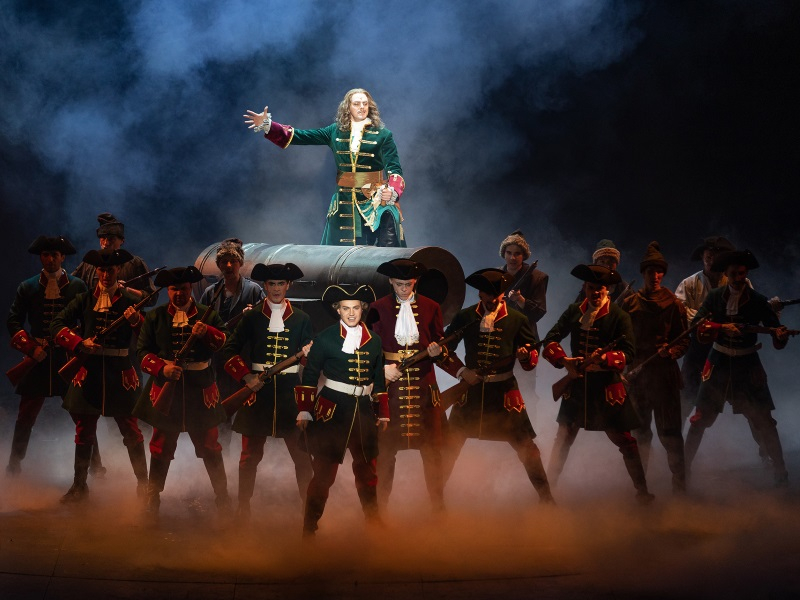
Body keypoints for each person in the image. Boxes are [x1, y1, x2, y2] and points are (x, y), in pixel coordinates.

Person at [438, 269, 554, 505]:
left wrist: (525, 356)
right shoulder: (465, 317)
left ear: (503, 294)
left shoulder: (517, 319)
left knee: (528, 449)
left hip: (505, 395)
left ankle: (547, 500)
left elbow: (532, 358)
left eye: (497, 295)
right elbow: (443, 351)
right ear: (480, 294)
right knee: (449, 448)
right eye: (488, 294)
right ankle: (435, 500)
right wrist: (462, 371)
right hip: (470, 394)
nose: (492, 299)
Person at [542, 264, 654, 504]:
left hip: (606, 387)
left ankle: (642, 491)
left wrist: (604, 359)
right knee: (563, 438)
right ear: (585, 287)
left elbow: (629, 353)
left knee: (624, 440)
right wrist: (565, 361)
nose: (595, 293)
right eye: (591, 288)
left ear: (607, 290)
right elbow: (550, 339)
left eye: (599, 289)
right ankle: (547, 491)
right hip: (577, 385)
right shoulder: (573, 311)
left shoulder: (619, 316)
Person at [244, 88, 406, 247]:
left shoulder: (383, 135)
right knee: (338, 253)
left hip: (372, 201)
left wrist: (392, 191)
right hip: (343, 200)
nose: (362, 107)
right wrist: (269, 125)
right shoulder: (335, 131)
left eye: (365, 103)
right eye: (356, 103)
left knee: (380, 248)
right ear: (348, 107)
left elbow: (394, 169)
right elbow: (302, 136)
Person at [683, 250, 790, 487]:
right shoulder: (715, 297)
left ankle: (780, 471)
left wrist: (780, 335)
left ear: (746, 273)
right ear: (726, 274)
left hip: (748, 365)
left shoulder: (758, 300)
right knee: (699, 419)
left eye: (742, 274)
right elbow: (697, 324)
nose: (738, 278)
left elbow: (776, 333)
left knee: (765, 421)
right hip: (718, 362)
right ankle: (683, 470)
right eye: (733, 274)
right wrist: (722, 328)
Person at [50, 249, 148, 502]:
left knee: (131, 432)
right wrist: (79, 343)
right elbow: (57, 324)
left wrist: (136, 321)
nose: (106, 275)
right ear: (96, 271)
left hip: (121, 373)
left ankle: (145, 486)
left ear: (118, 271)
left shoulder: (130, 300)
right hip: (88, 372)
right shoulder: (84, 299)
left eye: (111, 270)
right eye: (102, 270)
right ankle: (79, 486)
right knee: (84, 431)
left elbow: (149, 338)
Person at [133, 267, 230, 516]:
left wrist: (207, 332)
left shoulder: (208, 315)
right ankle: (153, 497)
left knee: (210, 445)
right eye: (174, 289)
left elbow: (225, 342)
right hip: (167, 389)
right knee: (160, 446)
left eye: (184, 289)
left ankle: (223, 499)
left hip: (201, 391)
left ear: (191, 289)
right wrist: (162, 369)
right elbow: (142, 352)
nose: (179, 294)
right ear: (168, 290)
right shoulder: (155, 317)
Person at [294, 285, 388, 537]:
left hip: (364, 411)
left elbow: (378, 378)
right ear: (337, 310)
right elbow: (310, 375)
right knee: (323, 475)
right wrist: (305, 410)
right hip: (331, 410)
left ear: (363, 309)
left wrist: (383, 411)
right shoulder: (325, 338)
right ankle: (309, 528)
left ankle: (373, 521)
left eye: (356, 308)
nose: (351, 313)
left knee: (368, 471)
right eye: (346, 308)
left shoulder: (374, 340)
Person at [221, 262, 313, 520]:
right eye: (271, 284)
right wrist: (246, 376)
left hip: (289, 393)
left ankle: (309, 508)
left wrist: (310, 355)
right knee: (249, 456)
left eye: (281, 283)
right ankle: (243, 507)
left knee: (302, 456)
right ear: (265, 285)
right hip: (257, 394)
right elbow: (228, 349)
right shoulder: (251, 317)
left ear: (288, 285)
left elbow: (310, 362)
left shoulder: (302, 318)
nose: (276, 289)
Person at [365, 259, 447, 512]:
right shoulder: (377, 308)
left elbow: (442, 343)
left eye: (408, 284)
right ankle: (379, 510)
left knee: (432, 451)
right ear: (390, 281)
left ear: (416, 282)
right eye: (399, 284)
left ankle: (438, 506)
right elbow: (368, 349)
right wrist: (381, 371)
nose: (403, 289)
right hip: (391, 388)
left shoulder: (431, 307)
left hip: (423, 387)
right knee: (385, 451)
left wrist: (438, 352)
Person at [6, 236, 88, 476]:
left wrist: (76, 343)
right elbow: (13, 320)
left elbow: (86, 322)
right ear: (40, 257)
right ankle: (14, 465)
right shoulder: (28, 287)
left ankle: (95, 467)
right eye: (45, 255)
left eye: (54, 255)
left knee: (82, 416)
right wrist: (31, 349)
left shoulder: (77, 286)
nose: (50, 259)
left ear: (63, 257)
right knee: (25, 416)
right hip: (38, 358)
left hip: (66, 358)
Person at [619, 242, 689, 493]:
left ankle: (679, 488)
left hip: (664, 376)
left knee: (670, 434)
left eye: (659, 271)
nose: (655, 275)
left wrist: (672, 351)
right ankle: (641, 489)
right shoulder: (630, 304)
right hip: (638, 375)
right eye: (651, 271)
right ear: (643, 273)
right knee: (640, 433)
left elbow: (684, 340)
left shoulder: (674, 304)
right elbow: (621, 339)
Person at [199, 238, 265, 453]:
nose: (228, 265)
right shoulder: (211, 293)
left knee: (249, 411)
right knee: (220, 412)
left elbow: (266, 322)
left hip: (244, 361)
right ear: (219, 264)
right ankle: (222, 456)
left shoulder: (254, 291)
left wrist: (252, 316)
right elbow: (201, 326)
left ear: (240, 263)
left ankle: (248, 459)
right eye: (224, 261)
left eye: (233, 261)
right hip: (218, 363)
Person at [72, 213, 158, 303]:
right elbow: (72, 285)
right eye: (103, 238)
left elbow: (152, 297)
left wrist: (128, 290)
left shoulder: (135, 263)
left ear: (122, 241)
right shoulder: (90, 262)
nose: (106, 243)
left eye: (111, 239)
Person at [575, 239, 634, 304]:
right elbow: (576, 309)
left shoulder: (624, 289)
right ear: (596, 264)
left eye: (610, 262)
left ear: (616, 264)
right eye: (602, 261)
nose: (606, 266)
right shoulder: (589, 287)